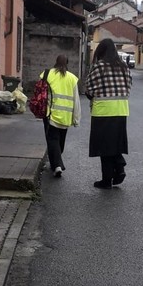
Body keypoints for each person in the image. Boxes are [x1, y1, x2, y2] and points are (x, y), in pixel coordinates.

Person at [85, 38, 132, 189]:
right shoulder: (124, 66)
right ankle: (119, 167)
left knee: (104, 147)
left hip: (103, 111)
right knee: (115, 142)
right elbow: (129, 86)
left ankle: (107, 180)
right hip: (121, 110)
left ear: (101, 51)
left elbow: (88, 89)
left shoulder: (99, 67)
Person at [41, 55, 81, 178]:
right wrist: (76, 118)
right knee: (60, 141)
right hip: (66, 116)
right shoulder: (72, 78)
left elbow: (41, 93)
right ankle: (55, 164)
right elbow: (76, 100)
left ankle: (57, 165)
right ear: (67, 63)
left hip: (50, 114)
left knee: (52, 140)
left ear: (56, 62)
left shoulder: (47, 74)